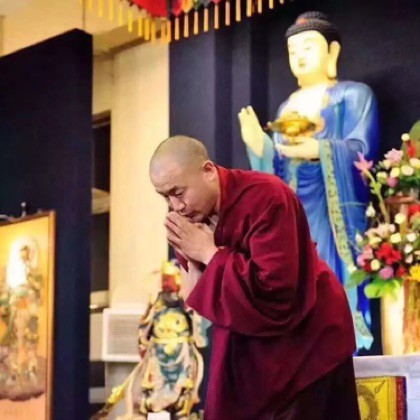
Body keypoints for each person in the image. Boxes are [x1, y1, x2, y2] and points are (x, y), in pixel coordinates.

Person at [149, 135, 360, 420]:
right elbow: (197, 298)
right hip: (246, 342)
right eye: (166, 197)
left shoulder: (267, 196)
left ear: (208, 171)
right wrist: (197, 257)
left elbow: (277, 292)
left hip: (307, 336)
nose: (176, 206)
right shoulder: (188, 221)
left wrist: (209, 252)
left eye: (179, 192)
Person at [238, 11, 379, 351]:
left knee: (331, 279)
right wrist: (260, 147)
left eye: (308, 48)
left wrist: (319, 149)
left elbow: (363, 149)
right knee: (296, 280)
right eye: (292, 51)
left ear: (332, 52)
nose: (299, 57)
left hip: (334, 212)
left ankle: (341, 344)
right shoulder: (287, 108)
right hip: (295, 212)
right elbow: (276, 170)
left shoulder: (352, 96)